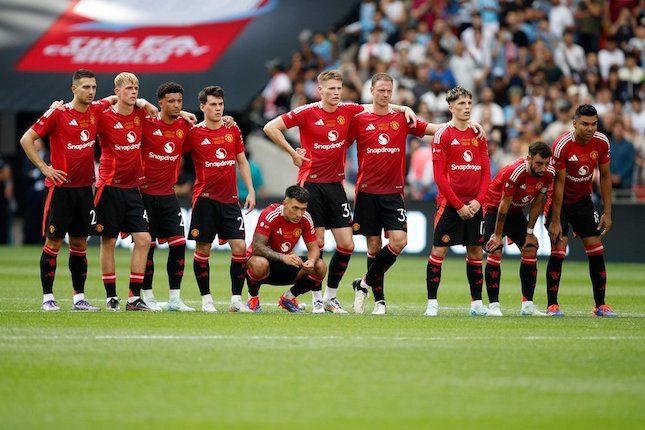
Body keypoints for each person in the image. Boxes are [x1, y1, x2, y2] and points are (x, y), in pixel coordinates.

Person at [263, 69, 415, 314]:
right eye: (330, 88)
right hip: (311, 184)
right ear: (320, 90)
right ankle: (315, 300)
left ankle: (330, 297)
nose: (335, 92)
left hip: (336, 185)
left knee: (347, 245)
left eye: (338, 88)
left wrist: (403, 109)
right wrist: (292, 153)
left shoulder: (349, 110)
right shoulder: (306, 112)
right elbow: (271, 127)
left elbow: (377, 103)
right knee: (318, 243)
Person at [349, 73, 450, 315]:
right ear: (372, 91)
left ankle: (362, 283)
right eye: (381, 90)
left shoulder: (403, 119)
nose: (385, 95)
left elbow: (434, 129)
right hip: (366, 192)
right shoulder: (359, 119)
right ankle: (380, 301)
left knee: (399, 241)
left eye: (388, 91)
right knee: (373, 245)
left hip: (393, 193)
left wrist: (462, 125)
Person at [19, 69, 114, 311]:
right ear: (74, 89)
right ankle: (47, 298)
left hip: (84, 190)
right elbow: (26, 139)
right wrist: (44, 167)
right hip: (59, 189)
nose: (91, 91)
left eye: (93, 87)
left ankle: (78, 298)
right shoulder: (57, 113)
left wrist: (144, 103)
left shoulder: (96, 110)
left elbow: (115, 98)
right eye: (85, 87)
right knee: (54, 242)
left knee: (80, 244)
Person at [183, 85, 256, 313]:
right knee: (203, 250)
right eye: (212, 104)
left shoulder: (231, 130)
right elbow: (173, 154)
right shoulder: (193, 133)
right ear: (203, 106)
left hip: (230, 200)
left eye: (220, 104)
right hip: (204, 200)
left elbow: (241, 161)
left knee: (240, 247)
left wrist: (251, 190)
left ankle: (236, 300)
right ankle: (206, 300)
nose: (217, 108)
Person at [425, 86, 491, 317]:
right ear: (450, 107)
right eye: (461, 104)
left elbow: (485, 172)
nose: (466, 108)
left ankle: (476, 304)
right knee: (438, 251)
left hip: (474, 206)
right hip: (450, 206)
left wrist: (478, 201)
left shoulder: (478, 135)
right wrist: (459, 205)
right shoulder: (443, 135)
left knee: (475, 253)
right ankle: (432, 303)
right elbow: (439, 177)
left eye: (469, 103)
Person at [546, 104, 616, 317]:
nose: (590, 128)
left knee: (596, 250)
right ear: (574, 123)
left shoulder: (602, 142)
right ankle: (552, 306)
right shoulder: (562, 145)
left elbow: (604, 177)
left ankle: (600, 305)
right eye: (585, 124)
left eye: (594, 124)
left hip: (584, 202)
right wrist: (556, 220)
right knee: (559, 250)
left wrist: (607, 212)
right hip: (560, 202)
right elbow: (558, 184)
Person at [94, 72, 154, 312]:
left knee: (144, 239)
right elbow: (82, 111)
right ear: (117, 91)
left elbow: (164, 115)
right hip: (109, 186)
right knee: (108, 241)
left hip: (132, 189)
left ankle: (133, 298)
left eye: (137, 88)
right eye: (129, 88)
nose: (134, 91)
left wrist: (144, 103)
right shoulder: (104, 116)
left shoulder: (141, 114)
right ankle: (111, 297)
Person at [483, 141, 555, 317]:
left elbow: (539, 201)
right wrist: (498, 235)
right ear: (529, 158)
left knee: (530, 249)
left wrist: (530, 232)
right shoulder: (514, 172)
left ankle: (528, 306)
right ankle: (494, 306)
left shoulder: (548, 174)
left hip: (515, 213)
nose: (543, 167)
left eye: (546, 163)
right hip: (493, 210)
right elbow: (503, 205)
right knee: (495, 250)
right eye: (539, 163)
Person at [139, 82, 194, 311]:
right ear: (160, 102)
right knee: (147, 248)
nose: (176, 105)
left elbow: (207, 133)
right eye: (170, 101)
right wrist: (142, 102)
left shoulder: (185, 125)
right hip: (144, 195)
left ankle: (174, 299)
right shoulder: (145, 123)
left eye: (179, 101)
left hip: (168, 196)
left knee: (179, 245)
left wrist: (226, 121)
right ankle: (148, 296)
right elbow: (122, 106)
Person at [245, 185, 326, 313]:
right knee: (259, 264)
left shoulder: (305, 218)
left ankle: (288, 298)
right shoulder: (270, 214)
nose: (299, 214)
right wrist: (283, 257)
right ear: (285, 204)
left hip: (287, 262)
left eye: (303, 209)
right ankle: (253, 298)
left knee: (320, 266)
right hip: (265, 265)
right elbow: (257, 247)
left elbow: (314, 249)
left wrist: (311, 261)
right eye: (295, 208)